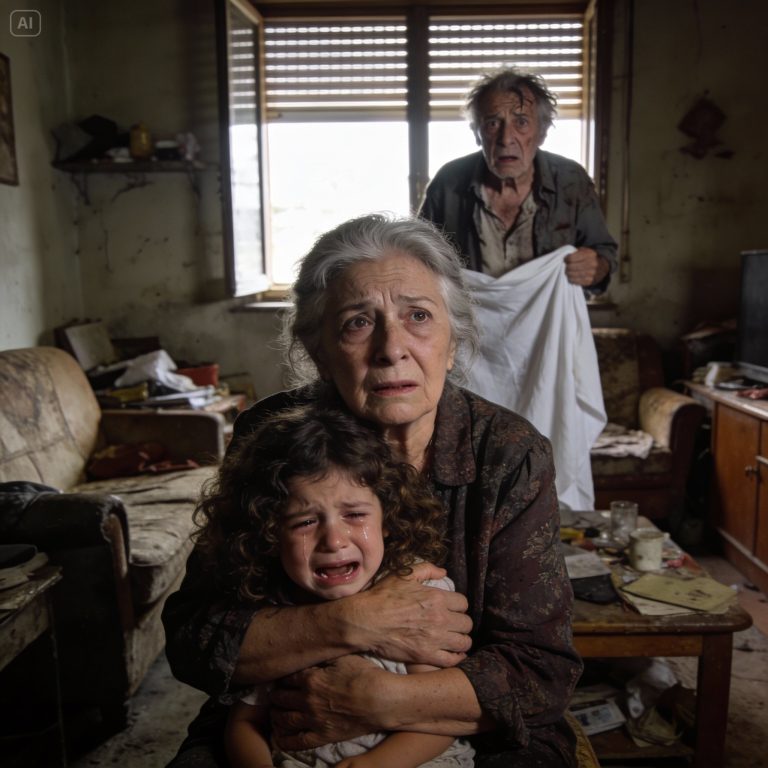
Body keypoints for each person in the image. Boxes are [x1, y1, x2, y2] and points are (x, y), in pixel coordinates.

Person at [162, 212, 583, 767]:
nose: (391, 348)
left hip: (458, 728)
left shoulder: (508, 452)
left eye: (418, 316)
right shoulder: (275, 436)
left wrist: (381, 700)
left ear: (452, 343)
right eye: (358, 323)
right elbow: (196, 640)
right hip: (281, 718)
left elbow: (540, 675)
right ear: (318, 351)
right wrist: (356, 622)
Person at [195, 404, 475, 768]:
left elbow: (438, 723)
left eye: (355, 515)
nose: (334, 540)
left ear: (387, 518)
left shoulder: (418, 595)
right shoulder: (274, 609)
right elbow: (246, 722)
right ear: (269, 532)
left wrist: (370, 766)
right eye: (305, 521)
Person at [419, 66, 617, 292]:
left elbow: (604, 254)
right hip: (474, 324)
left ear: (542, 132)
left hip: (546, 323)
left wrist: (595, 267)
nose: (506, 139)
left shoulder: (571, 180)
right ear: (477, 133)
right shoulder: (448, 184)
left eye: (521, 122)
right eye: (493, 123)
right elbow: (417, 257)